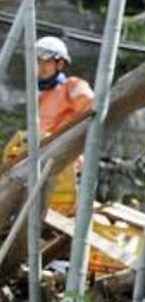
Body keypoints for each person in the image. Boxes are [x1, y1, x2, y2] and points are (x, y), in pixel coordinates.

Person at [36, 36, 94, 215]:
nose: (41, 67)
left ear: (59, 64)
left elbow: (91, 104)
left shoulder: (71, 86)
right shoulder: (40, 94)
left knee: (61, 210)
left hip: (66, 161)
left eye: (47, 62)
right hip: (43, 158)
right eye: (38, 61)